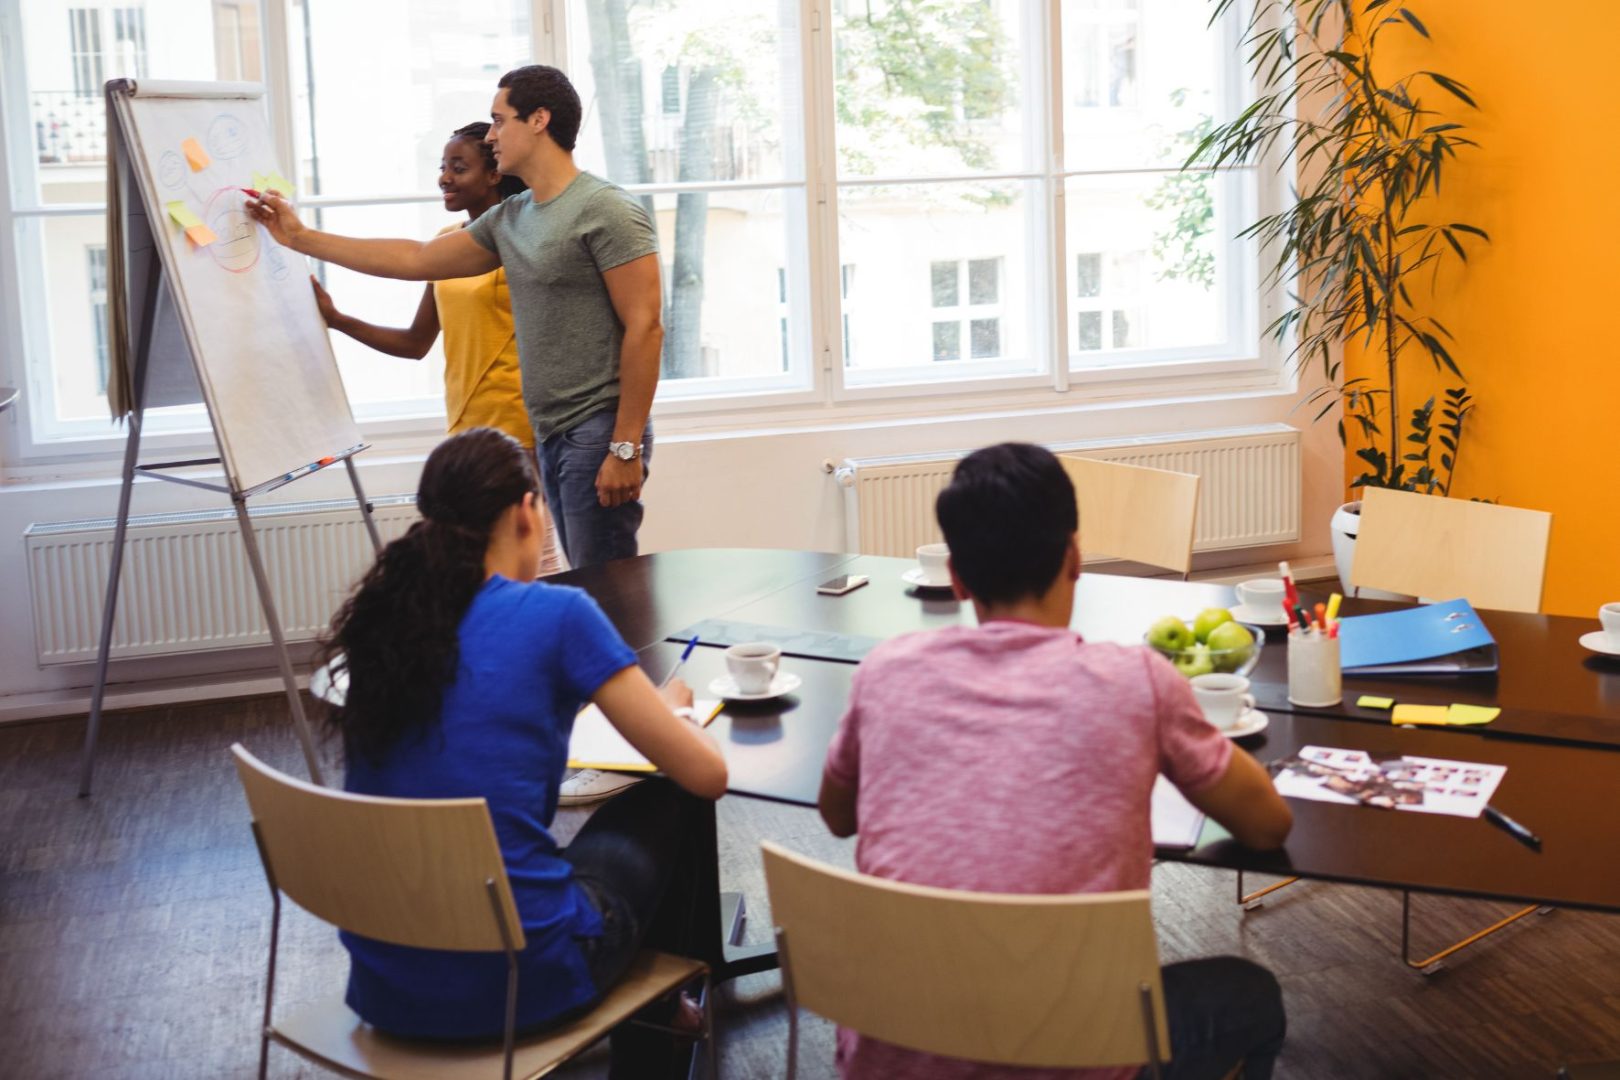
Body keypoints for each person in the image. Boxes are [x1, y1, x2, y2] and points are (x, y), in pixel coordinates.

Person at [818, 442, 1293, 1080]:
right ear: (1075, 557)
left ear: (956, 575)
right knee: (1251, 994)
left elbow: (838, 815)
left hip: (896, 1052)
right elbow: (1268, 826)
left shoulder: (885, 672)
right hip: (1077, 1055)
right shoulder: (1137, 681)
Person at [319, 427, 725, 1077]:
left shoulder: (385, 625)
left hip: (387, 988)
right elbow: (708, 773)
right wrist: (675, 713)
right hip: (522, 980)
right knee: (671, 790)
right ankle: (653, 1041)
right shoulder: (557, 615)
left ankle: (666, 1008)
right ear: (528, 511)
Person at [248, 64, 661, 571]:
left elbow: (646, 327)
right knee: (579, 583)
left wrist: (624, 447)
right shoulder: (514, 217)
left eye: (498, 120)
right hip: (551, 429)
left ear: (538, 120)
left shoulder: (607, 209)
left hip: (596, 430)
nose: (491, 135)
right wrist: (298, 238)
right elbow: (418, 258)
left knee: (606, 586)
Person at [311, 121, 560, 576]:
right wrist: (338, 320)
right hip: (467, 431)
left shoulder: (525, 240)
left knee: (534, 564)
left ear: (493, 174)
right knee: (480, 568)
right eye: (443, 167)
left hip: (521, 429)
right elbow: (415, 343)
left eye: (458, 167)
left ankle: (547, 642)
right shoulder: (449, 245)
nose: (444, 177)